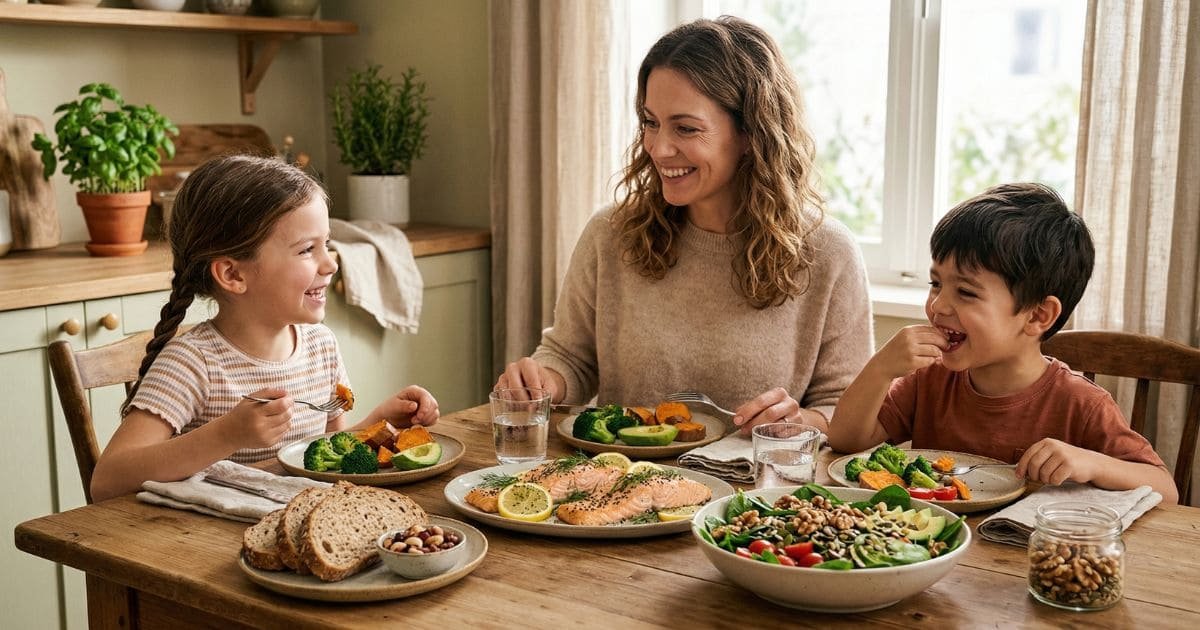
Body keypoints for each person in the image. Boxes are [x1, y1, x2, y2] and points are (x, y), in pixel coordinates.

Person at [495, 16, 874, 435]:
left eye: (686, 128)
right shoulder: (610, 233)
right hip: (623, 486)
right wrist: (542, 382)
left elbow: (846, 407)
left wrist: (800, 421)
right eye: (650, 122)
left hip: (751, 495)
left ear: (751, 131)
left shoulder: (828, 252)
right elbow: (571, 357)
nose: (658, 148)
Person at [89, 155, 439, 502]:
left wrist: (383, 421)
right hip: (205, 543)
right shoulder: (194, 362)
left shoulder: (321, 345)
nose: (331, 263)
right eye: (307, 250)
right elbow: (107, 480)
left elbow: (328, 454)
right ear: (233, 275)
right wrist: (227, 435)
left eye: (326, 245)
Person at [827, 182, 1178, 504]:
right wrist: (881, 368)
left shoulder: (1081, 404)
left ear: (1038, 316)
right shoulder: (929, 379)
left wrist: (1092, 463)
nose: (938, 306)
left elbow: (1165, 489)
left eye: (965, 292)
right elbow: (847, 440)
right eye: (936, 284)